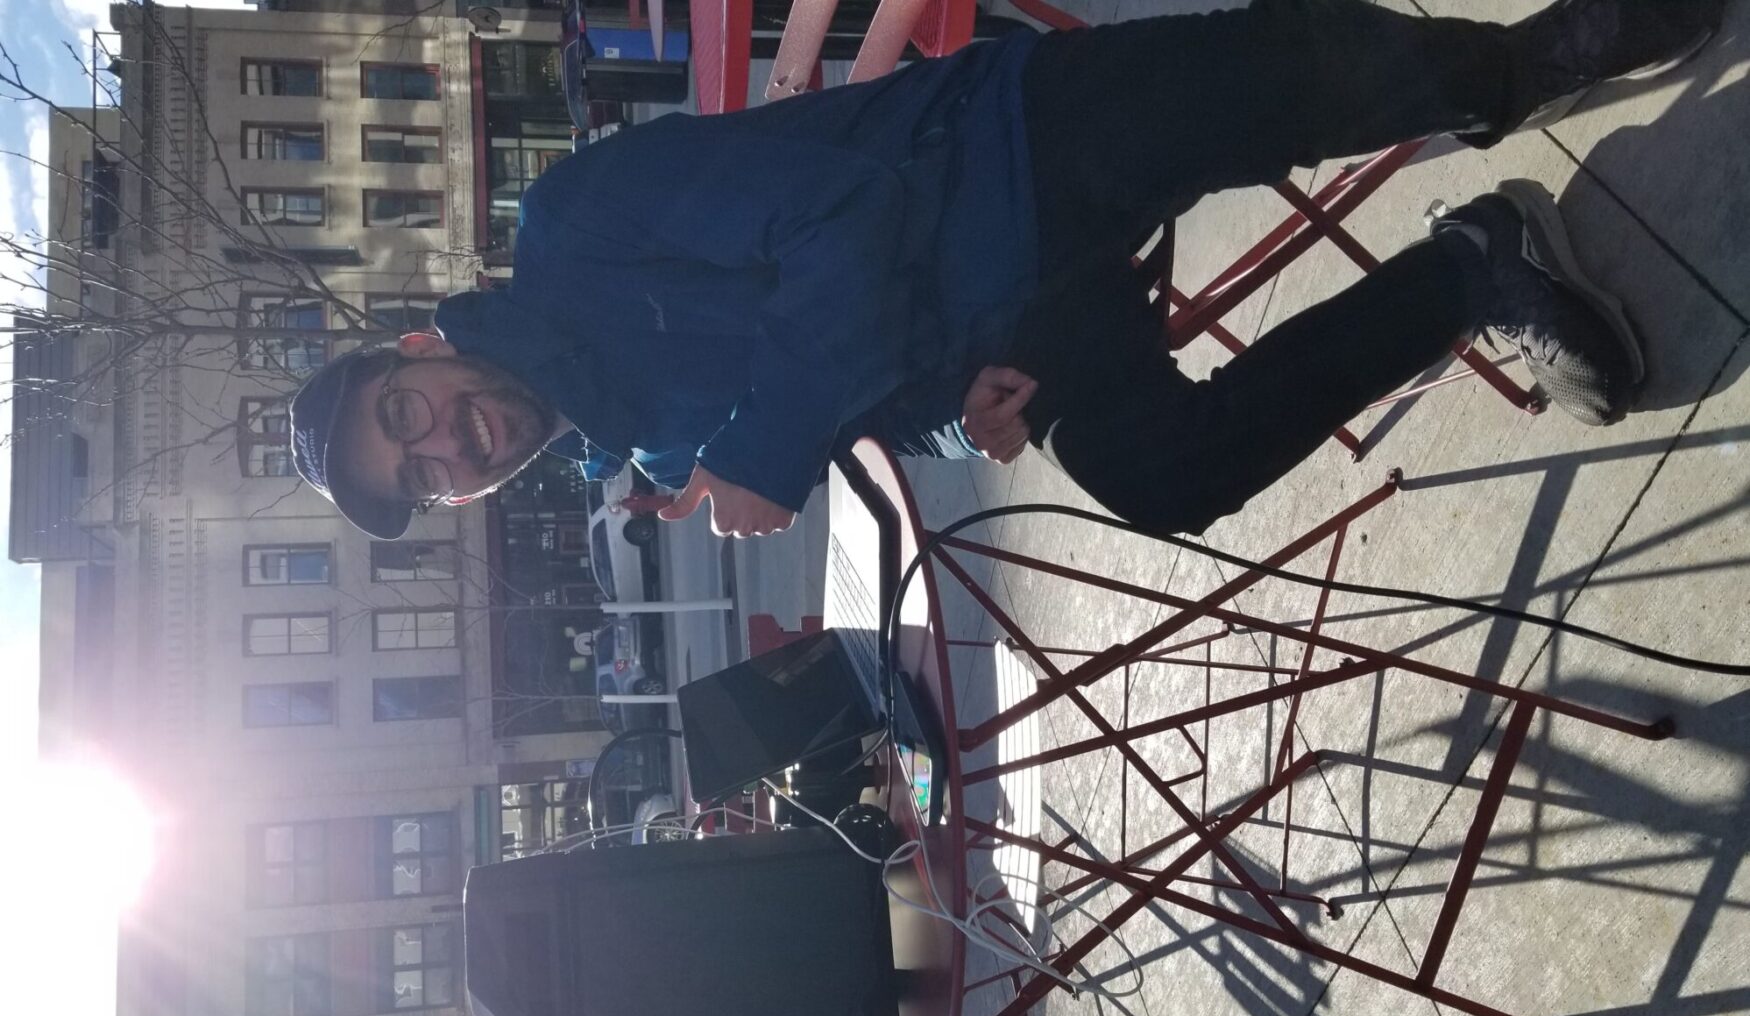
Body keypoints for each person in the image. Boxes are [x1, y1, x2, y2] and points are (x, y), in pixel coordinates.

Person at [288, 0, 1725, 542]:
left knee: (1290, 85)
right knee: (1157, 477)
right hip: (1015, 317)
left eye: (410, 417)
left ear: (419, 351)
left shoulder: (576, 224)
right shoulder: (655, 448)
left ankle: (1527, 63)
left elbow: (843, 214)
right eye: (427, 477)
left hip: (1000, 150)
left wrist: (771, 442)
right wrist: (957, 414)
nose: (452, 446)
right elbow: (872, 400)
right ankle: (1471, 269)